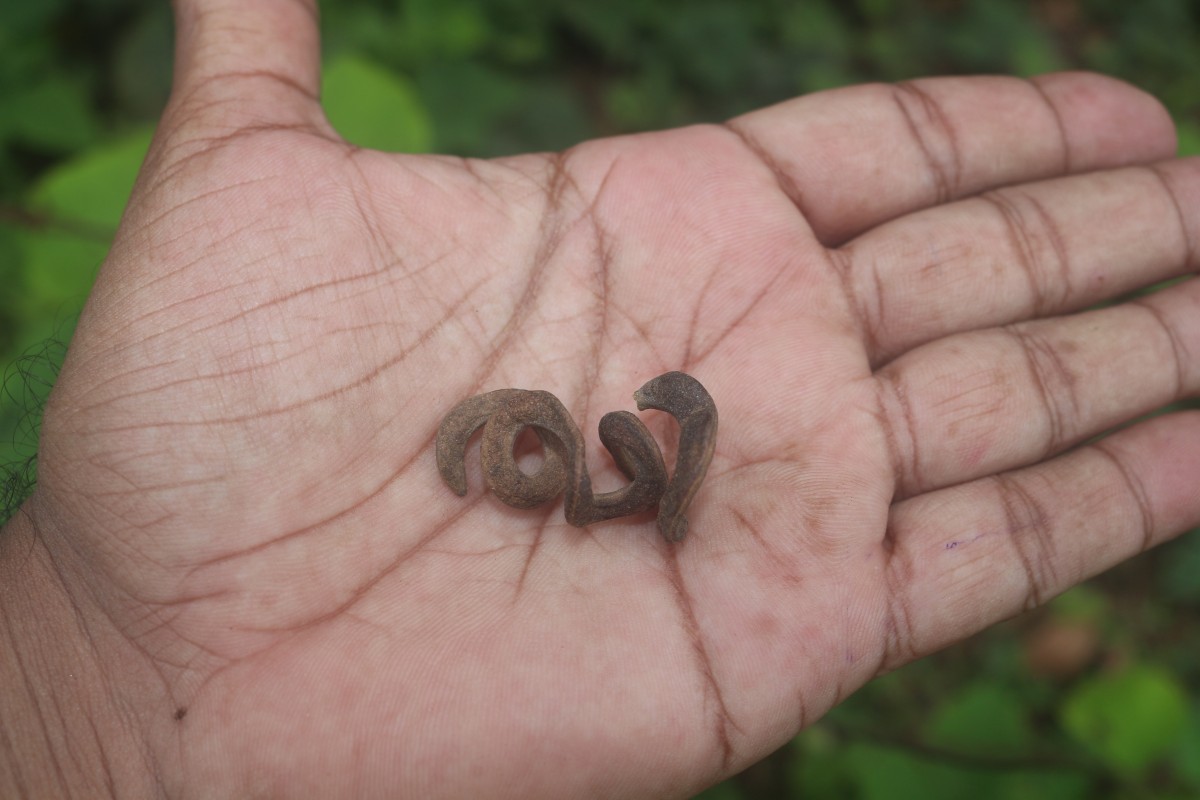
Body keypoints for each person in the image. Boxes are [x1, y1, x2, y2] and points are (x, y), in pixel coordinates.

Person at [2, 0, 1198, 797]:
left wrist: (83, 700)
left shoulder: (621, 455)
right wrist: (82, 675)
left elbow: (617, 457)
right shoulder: (566, 453)